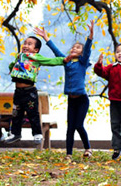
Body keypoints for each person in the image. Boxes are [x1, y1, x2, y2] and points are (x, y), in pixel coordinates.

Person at [34, 21, 94, 159]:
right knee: (70, 128)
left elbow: (88, 49)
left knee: (79, 125)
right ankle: (68, 154)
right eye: (73, 47)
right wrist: (46, 38)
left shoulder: (83, 62)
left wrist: (90, 36)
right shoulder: (66, 62)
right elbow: (56, 51)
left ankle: (88, 148)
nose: (74, 48)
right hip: (71, 100)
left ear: (82, 52)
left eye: (78, 48)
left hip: (82, 100)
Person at [4, 36, 70, 144]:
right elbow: (13, 66)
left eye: (29, 44)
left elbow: (50, 61)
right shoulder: (20, 56)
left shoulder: (35, 57)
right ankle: (15, 134)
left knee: (33, 113)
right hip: (18, 92)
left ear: (36, 50)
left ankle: (37, 134)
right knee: (16, 113)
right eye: (25, 43)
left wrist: (63, 60)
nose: (25, 45)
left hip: (29, 91)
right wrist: (12, 65)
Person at [94, 43, 121, 160]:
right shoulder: (112, 67)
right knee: (115, 124)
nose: (120, 53)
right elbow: (101, 72)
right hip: (114, 100)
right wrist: (99, 64)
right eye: (118, 51)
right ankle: (117, 147)